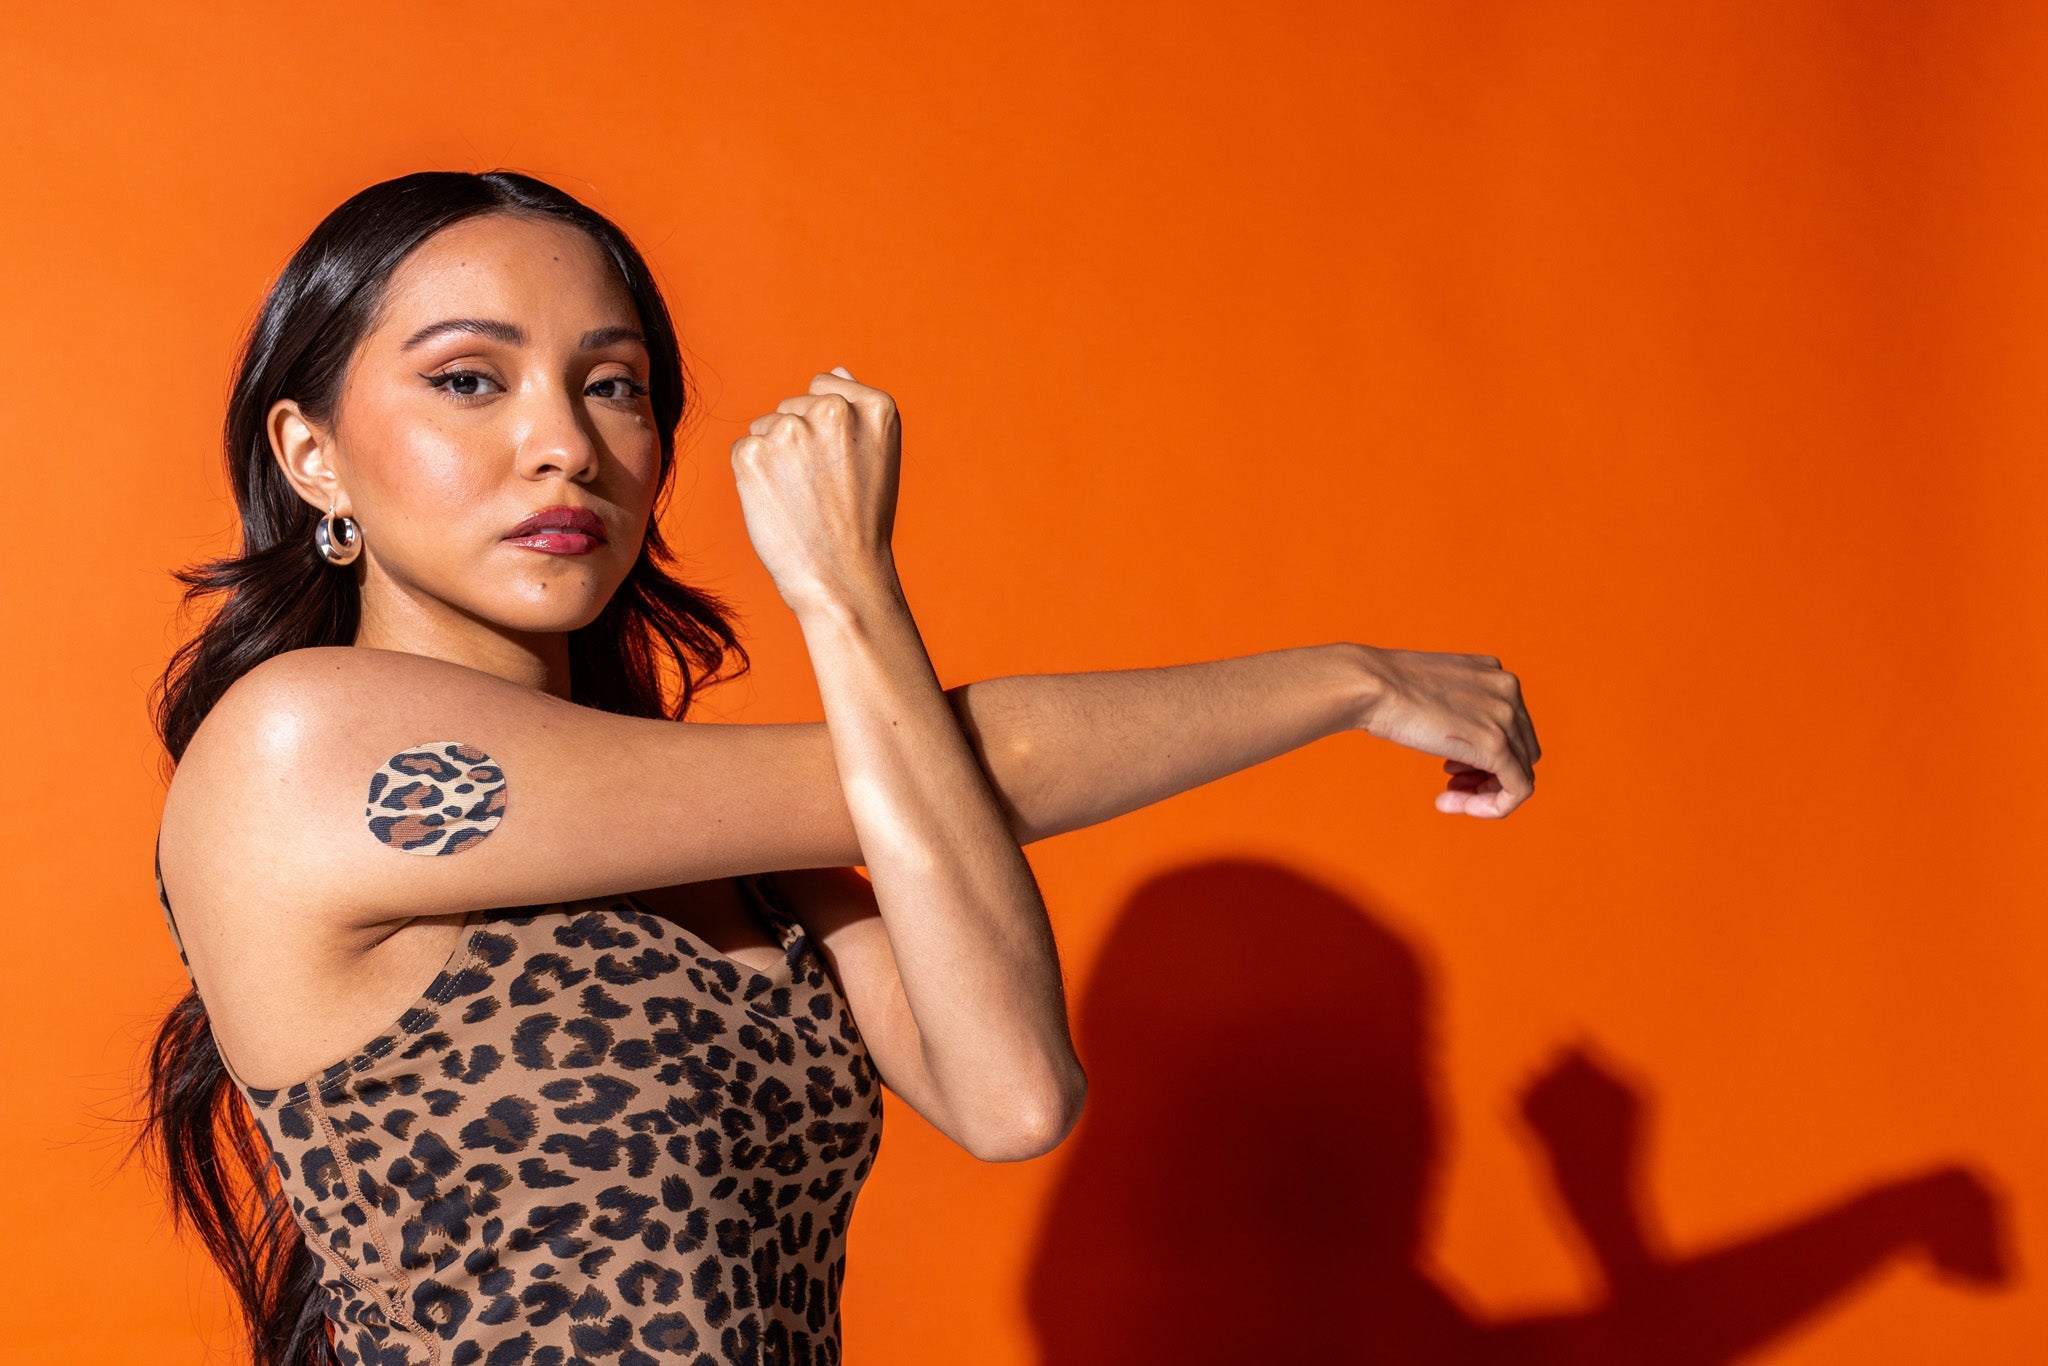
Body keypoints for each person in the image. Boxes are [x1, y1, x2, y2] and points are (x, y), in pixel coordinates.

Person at [137, 169, 1541, 1366]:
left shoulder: (732, 846)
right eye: (468, 379)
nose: (563, 444)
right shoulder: (293, 747)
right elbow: (960, 770)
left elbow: (1014, 1093)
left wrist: (849, 594)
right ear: (310, 453)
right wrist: (1350, 679)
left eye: (612, 386)